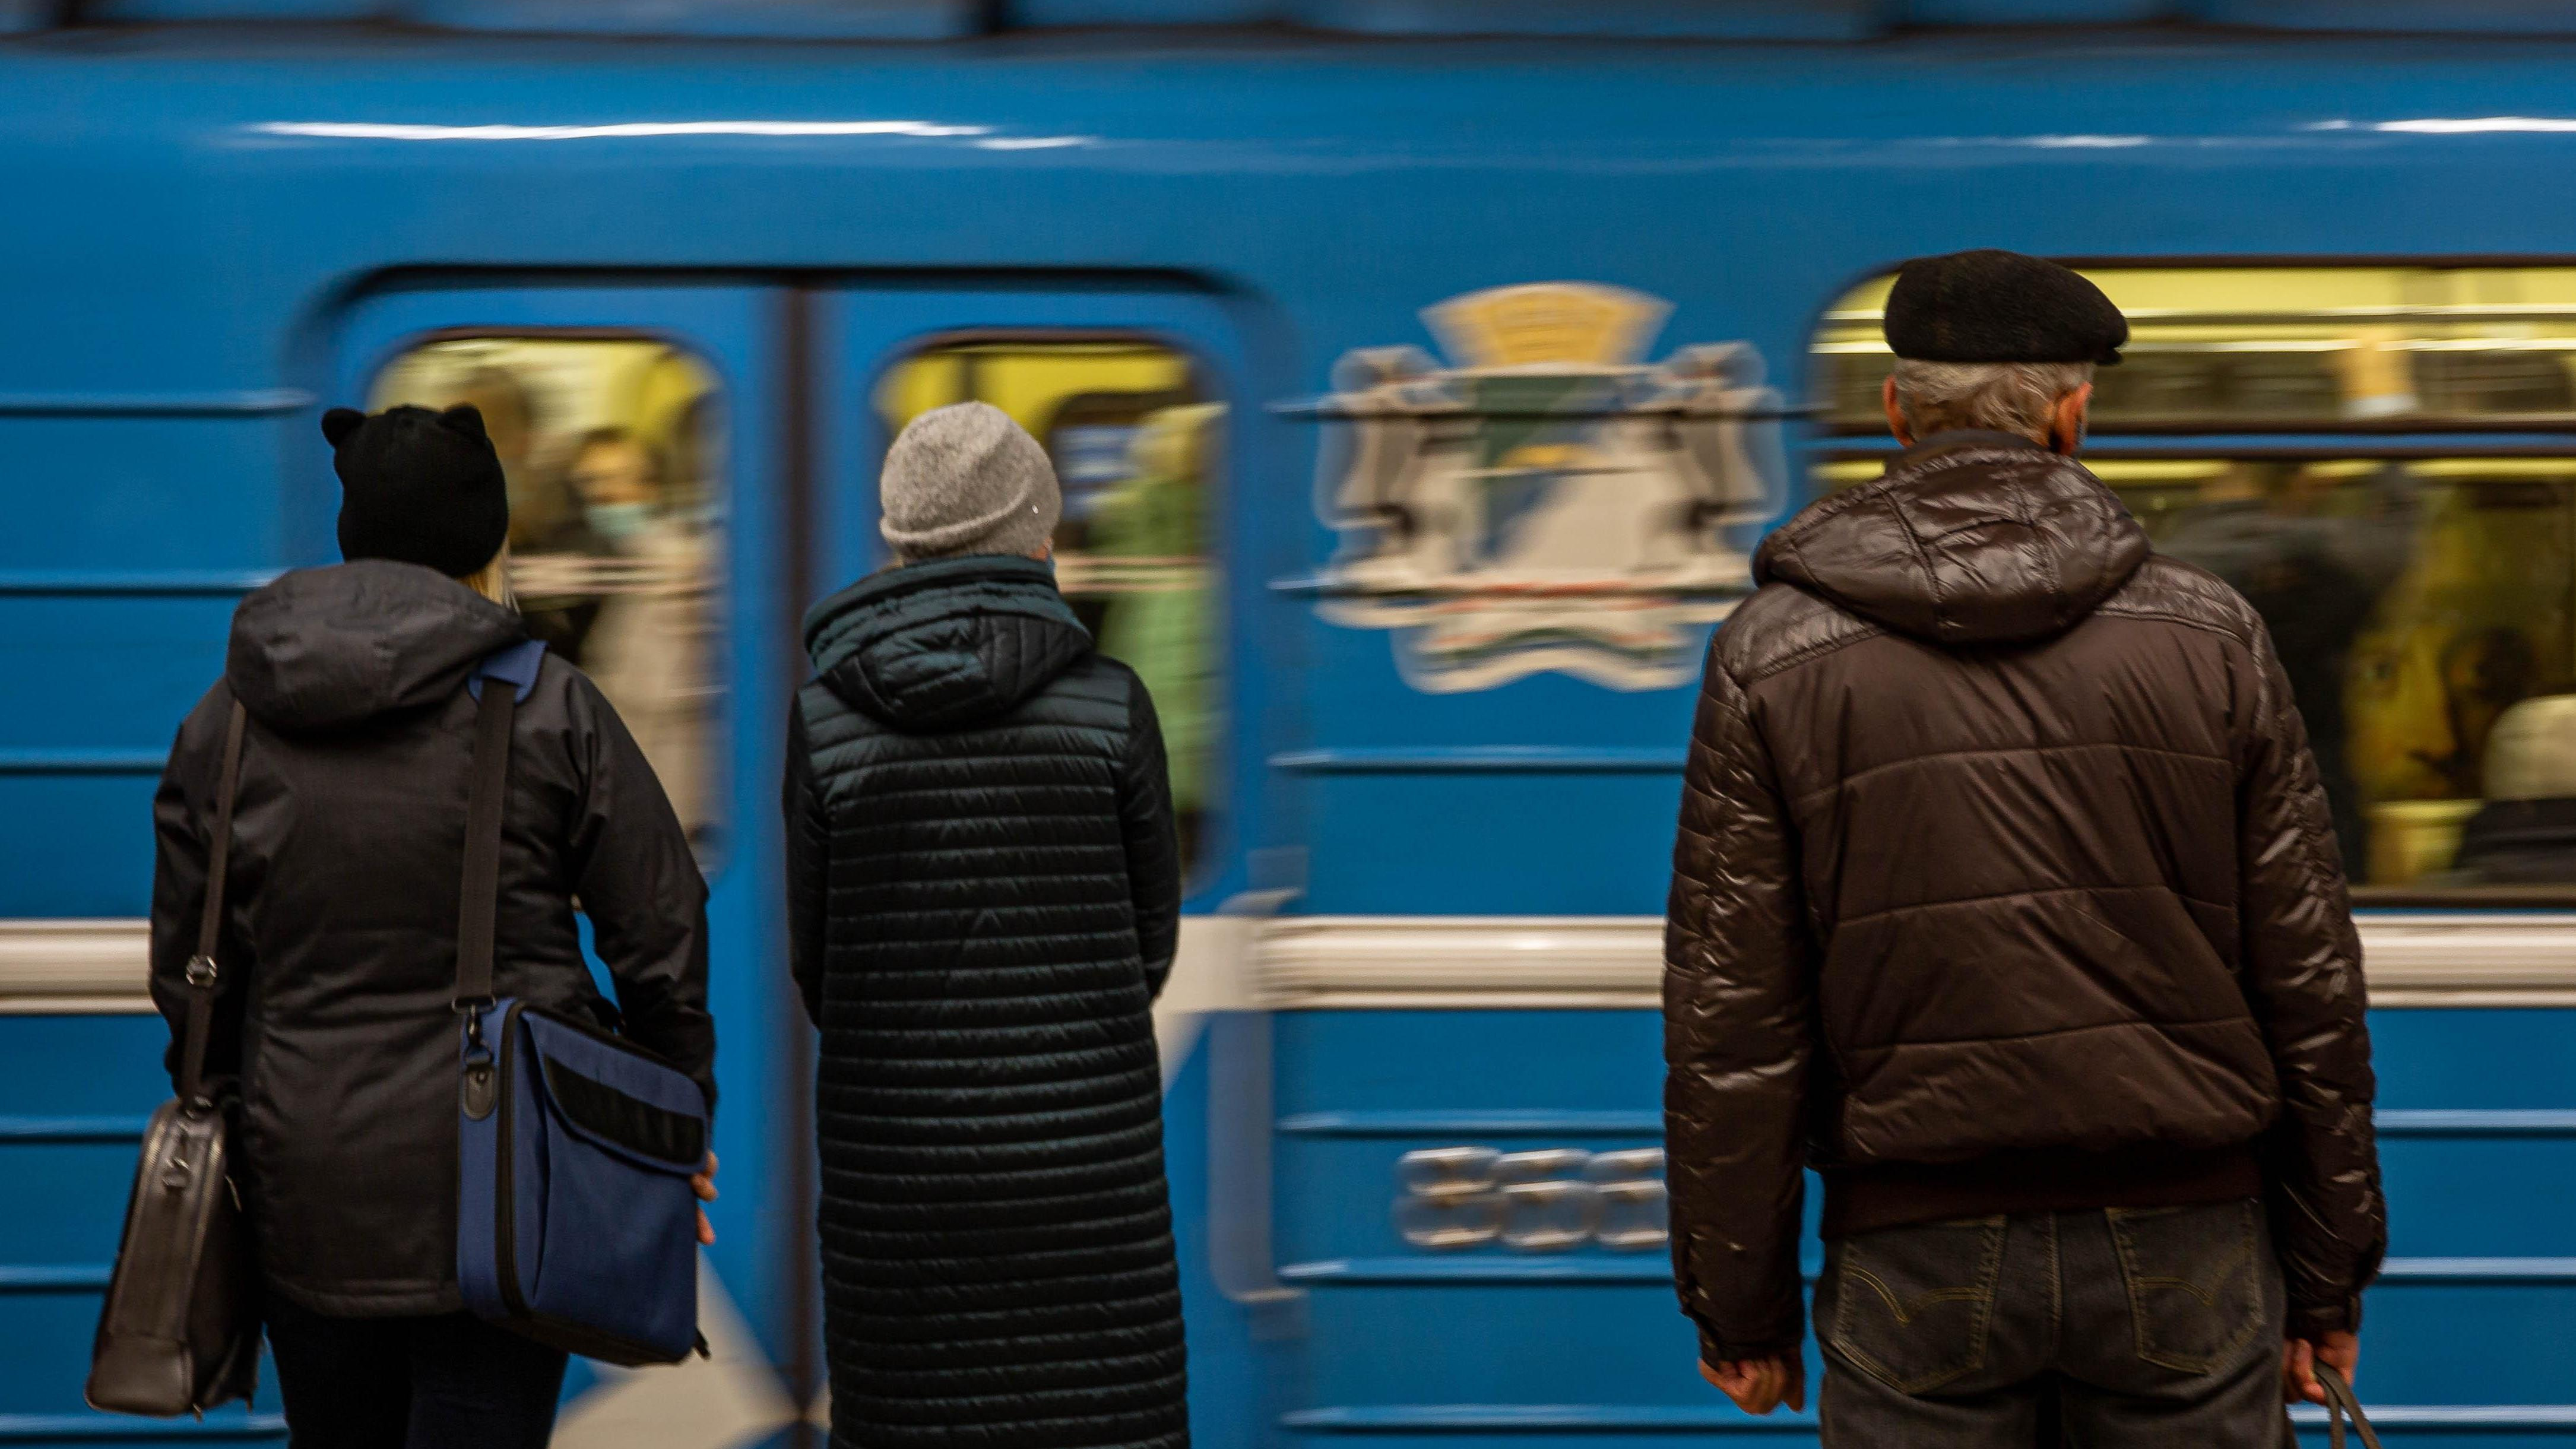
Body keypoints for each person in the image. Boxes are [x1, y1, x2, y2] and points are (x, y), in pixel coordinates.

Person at [1663, 250, 2383, 1448]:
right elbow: (2308, 978)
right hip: (2188, 1233)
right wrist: (2324, 1276)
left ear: (1898, 411)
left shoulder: (1772, 650)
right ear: (2070, 410)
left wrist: (1740, 1304)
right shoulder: (2212, 633)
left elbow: (1736, 1014)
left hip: (1912, 1242)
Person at [148, 404, 718, 1448]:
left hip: (301, 1188)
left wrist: (247, 1103)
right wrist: (671, 1121)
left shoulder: (227, 716)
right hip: (503, 1193)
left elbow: (189, 968)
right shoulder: (549, 706)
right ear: (484, 543)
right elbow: (662, 929)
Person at [785, 401, 1187, 1449]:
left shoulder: (825, 719)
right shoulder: (1109, 703)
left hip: (899, 1169)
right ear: (1035, 535)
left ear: (897, 537)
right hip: (1084, 1168)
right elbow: (1150, 944)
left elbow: (819, 968)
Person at [565, 426, 718, 848]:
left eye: (623, 480)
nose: (610, 497)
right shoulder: (581, 569)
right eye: (593, 485)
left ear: (652, 484)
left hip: (672, 797)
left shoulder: (675, 562)